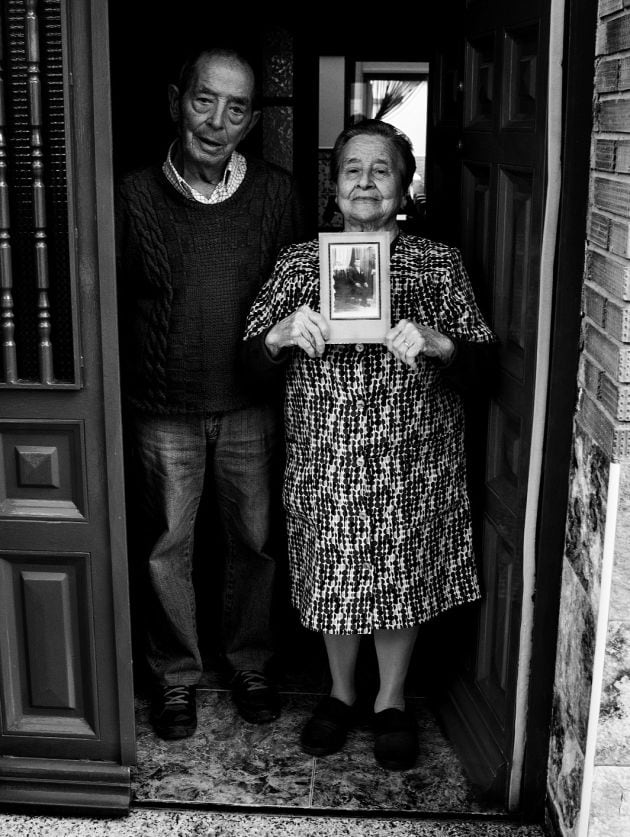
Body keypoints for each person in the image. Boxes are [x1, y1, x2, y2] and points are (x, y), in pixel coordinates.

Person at [242, 119, 495, 770]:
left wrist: (441, 344)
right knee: (333, 572)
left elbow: (485, 368)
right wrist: (277, 334)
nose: (364, 181)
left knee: (398, 574)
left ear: (403, 187)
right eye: (352, 168)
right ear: (334, 186)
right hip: (325, 454)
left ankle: (390, 700)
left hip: (408, 455)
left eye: (381, 169)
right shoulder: (303, 261)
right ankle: (340, 692)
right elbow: (246, 363)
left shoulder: (436, 262)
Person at [115, 46, 304, 740]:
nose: (217, 120)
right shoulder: (130, 195)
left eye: (236, 107)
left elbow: (298, 293)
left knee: (254, 542)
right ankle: (174, 679)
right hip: (163, 407)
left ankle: (251, 663)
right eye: (205, 100)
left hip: (251, 402)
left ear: (252, 119)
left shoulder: (279, 195)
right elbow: (105, 300)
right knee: (167, 546)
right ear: (176, 100)